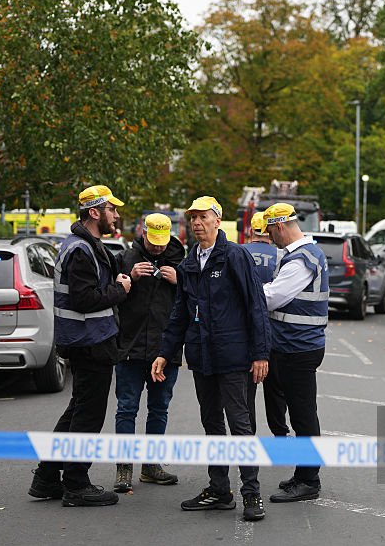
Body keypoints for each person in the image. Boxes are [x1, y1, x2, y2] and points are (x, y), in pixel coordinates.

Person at [151, 196, 271, 521]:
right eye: (193, 218)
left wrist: (261, 353)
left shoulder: (235, 256)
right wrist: (165, 352)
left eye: (203, 217)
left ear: (218, 220)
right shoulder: (190, 263)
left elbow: (255, 306)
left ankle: (252, 494)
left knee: (241, 426)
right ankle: (219, 490)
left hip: (234, 358)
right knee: (212, 425)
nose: (197, 223)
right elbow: (180, 313)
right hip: (202, 359)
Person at [28, 185, 132, 507]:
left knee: (77, 410)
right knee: (88, 414)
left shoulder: (87, 245)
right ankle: (75, 484)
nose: (116, 215)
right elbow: (85, 299)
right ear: (94, 212)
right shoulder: (80, 250)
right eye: (111, 210)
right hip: (89, 341)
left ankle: (46, 477)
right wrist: (120, 289)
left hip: (88, 340)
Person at [259, 202, 329, 503]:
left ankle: (309, 480)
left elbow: (273, 297)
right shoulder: (300, 255)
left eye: (269, 232)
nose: (269, 238)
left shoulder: (302, 259)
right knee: (301, 413)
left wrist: (244, 294)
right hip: (293, 345)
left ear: (279, 227)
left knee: (303, 416)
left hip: (299, 348)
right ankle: (303, 475)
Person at [112, 213, 184, 492]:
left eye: (161, 243)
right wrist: (129, 279)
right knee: (126, 408)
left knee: (159, 408)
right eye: (152, 242)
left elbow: (196, 299)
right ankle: (124, 468)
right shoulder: (126, 258)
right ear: (142, 232)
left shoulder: (181, 262)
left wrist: (180, 281)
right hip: (130, 348)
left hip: (165, 350)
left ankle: (151, 466)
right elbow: (112, 295)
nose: (157, 248)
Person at [243, 212, 290, 439]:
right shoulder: (282, 256)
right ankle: (280, 433)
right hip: (275, 332)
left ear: (252, 230)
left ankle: (247, 435)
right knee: (276, 390)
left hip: (246, 332)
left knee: (246, 391)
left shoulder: (239, 253)